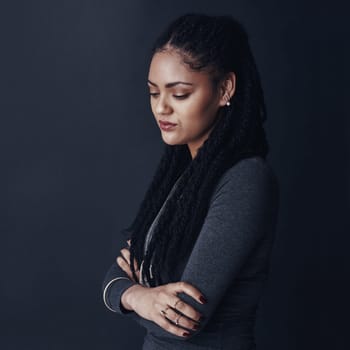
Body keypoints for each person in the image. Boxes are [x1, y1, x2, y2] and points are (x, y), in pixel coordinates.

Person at [102, 12, 279, 350]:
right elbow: (114, 275)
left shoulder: (245, 179)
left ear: (225, 88)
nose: (161, 108)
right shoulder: (183, 175)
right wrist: (141, 296)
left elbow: (184, 318)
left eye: (179, 94)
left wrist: (133, 293)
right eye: (154, 93)